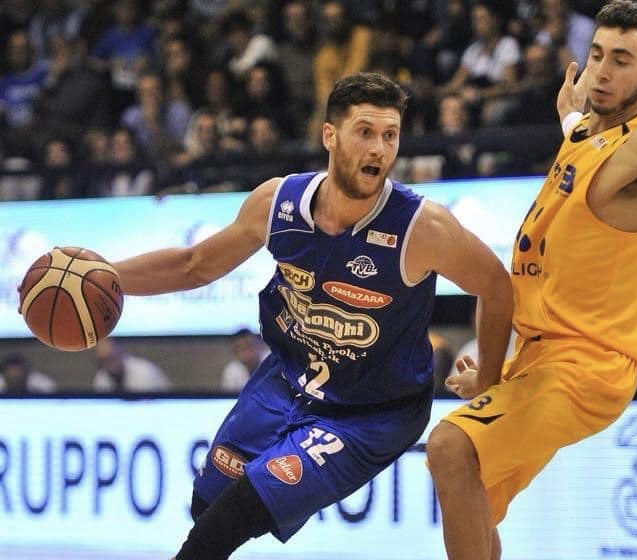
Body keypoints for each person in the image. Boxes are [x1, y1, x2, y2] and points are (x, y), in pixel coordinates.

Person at [106, 72, 512, 559]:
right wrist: (105, 275)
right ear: (329, 136)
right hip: (285, 380)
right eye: (365, 132)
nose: (379, 149)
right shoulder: (278, 202)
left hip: (372, 413)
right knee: (208, 506)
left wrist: (489, 379)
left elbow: (496, 285)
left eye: (390, 135)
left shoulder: (422, 227)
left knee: (228, 523)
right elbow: (194, 265)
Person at [425, 3, 637, 559]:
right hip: (540, 355)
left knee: (449, 447)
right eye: (596, 55)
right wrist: (570, 116)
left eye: (621, 60)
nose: (601, 71)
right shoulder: (588, 133)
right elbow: (584, 143)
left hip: (586, 366)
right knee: (473, 494)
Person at [91, 338, 171, 393]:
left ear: (120, 353)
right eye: (104, 360)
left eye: (112, 358)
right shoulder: (101, 379)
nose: (109, 364)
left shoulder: (144, 372)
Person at [219, 327, 269, 392]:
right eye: (241, 349)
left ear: (258, 345)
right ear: (235, 353)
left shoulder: (274, 361)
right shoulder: (231, 371)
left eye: (249, 346)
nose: (246, 352)